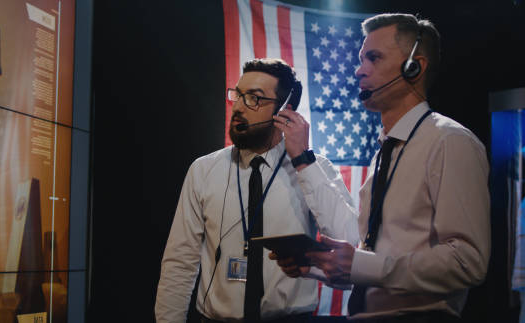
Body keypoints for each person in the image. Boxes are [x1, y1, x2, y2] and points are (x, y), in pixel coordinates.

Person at [273, 13, 490, 322]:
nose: (359, 70)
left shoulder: (449, 142)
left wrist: (363, 266)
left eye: (373, 58)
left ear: (414, 67)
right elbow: (385, 266)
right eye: (362, 59)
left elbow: (468, 262)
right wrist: (323, 266)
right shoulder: (386, 152)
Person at [155, 58, 359, 323]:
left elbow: (348, 240)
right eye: (238, 95)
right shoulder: (203, 170)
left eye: (254, 98)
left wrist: (302, 161)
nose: (239, 107)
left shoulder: (314, 168)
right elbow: (179, 262)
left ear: (285, 110)